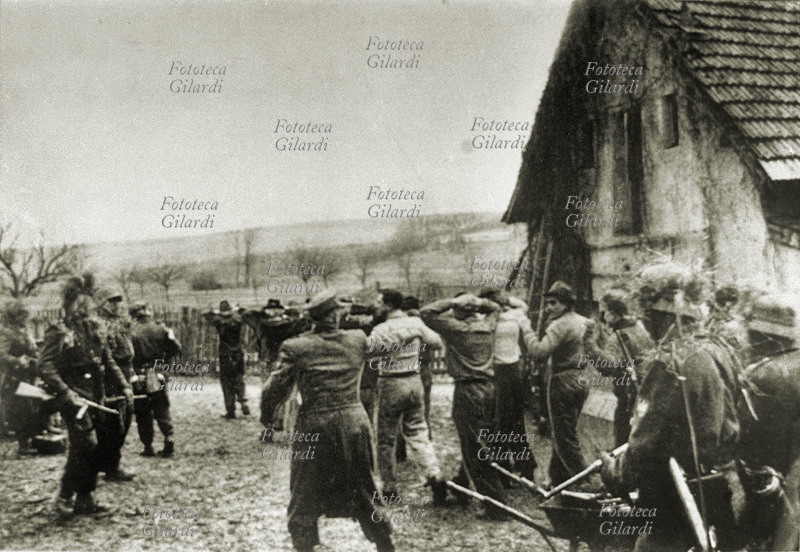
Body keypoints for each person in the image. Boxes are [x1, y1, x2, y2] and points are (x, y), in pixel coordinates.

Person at [600, 273, 742, 551]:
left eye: (647, 315)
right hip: (713, 489)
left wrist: (615, 471)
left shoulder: (669, 363)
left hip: (673, 499)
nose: (644, 324)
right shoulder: (714, 350)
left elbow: (645, 445)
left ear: (659, 315)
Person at [260, 289, 394, 552]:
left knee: (304, 493)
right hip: (355, 424)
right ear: (336, 314)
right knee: (366, 489)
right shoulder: (357, 339)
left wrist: (267, 419)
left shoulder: (295, 347)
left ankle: (307, 547)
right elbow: (385, 347)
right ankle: (386, 545)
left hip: (315, 426)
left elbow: (273, 389)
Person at [40, 275, 134, 516]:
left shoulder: (94, 330)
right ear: (71, 305)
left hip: (96, 397)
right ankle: (65, 497)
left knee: (93, 448)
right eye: (81, 304)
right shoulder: (59, 331)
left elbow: (108, 361)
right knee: (85, 447)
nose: (86, 309)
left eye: (88, 304)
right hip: (74, 400)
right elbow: (46, 366)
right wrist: (66, 392)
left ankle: (84, 500)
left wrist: (124, 386)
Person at [420, 292, 508, 519]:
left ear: (460, 310)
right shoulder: (487, 326)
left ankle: (496, 506)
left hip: (468, 390)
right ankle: (462, 484)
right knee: (481, 441)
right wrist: (479, 303)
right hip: (489, 388)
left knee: (476, 449)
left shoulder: (457, 328)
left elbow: (427, 312)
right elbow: (496, 307)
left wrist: (452, 301)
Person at [368, 289, 447, 505]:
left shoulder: (381, 328)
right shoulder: (415, 323)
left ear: (388, 305)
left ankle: (389, 488)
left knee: (385, 438)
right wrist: (412, 336)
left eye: (378, 302)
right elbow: (437, 342)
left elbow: (370, 351)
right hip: (414, 380)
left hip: (391, 382)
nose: (375, 305)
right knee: (418, 431)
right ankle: (435, 477)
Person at [521, 281, 591, 486]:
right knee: (565, 430)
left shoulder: (559, 325)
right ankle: (558, 480)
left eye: (553, 303)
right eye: (547, 303)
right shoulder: (585, 322)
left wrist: (526, 331)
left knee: (564, 437)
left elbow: (538, 352)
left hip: (562, 382)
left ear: (566, 304)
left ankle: (586, 481)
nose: (548, 308)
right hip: (582, 379)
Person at [478, 288, 538, 481]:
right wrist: (504, 300)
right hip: (513, 372)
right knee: (513, 421)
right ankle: (524, 466)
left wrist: (492, 303)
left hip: (500, 372)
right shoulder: (516, 315)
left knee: (500, 423)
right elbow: (523, 305)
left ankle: (503, 469)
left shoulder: (487, 321)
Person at [583, 288, 654, 447]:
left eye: (604, 312)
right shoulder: (640, 327)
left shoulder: (619, 337)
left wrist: (589, 343)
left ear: (614, 314)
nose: (602, 317)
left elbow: (608, 366)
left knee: (623, 442)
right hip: (647, 393)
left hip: (629, 399)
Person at [129, 302, 181, 458]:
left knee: (142, 410)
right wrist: (164, 364)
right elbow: (176, 348)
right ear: (148, 313)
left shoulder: (131, 331)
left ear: (135, 315)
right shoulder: (162, 329)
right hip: (157, 373)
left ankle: (147, 446)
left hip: (139, 375)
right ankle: (168, 438)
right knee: (161, 406)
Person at [95, 290, 136, 480]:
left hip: (124, 376)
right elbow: (106, 358)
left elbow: (127, 352)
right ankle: (110, 467)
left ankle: (110, 464)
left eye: (118, 302)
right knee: (114, 424)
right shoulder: (101, 324)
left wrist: (131, 376)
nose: (116, 305)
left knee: (124, 422)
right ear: (103, 303)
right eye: (111, 302)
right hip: (112, 381)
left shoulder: (119, 323)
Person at [0, 300, 41, 455]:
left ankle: (32, 438)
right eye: (22, 315)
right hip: (13, 377)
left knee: (32, 406)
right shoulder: (5, 332)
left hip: (28, 374)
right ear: (14, 316)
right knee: (21, 409)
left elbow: (32, 349)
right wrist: (17, 361)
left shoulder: (24, 331)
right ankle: (23, 445)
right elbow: (1, 354)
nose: (25, 318)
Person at [204, 301, 248, 418]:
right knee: (239, 378)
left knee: (226, 382)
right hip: (238, 352)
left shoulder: (219, 321)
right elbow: (245, 311)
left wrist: (216, 312)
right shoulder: (238, 320)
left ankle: (230, 410)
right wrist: (236, 310)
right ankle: (243, 399)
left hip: (225, 354)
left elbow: (206, 314)